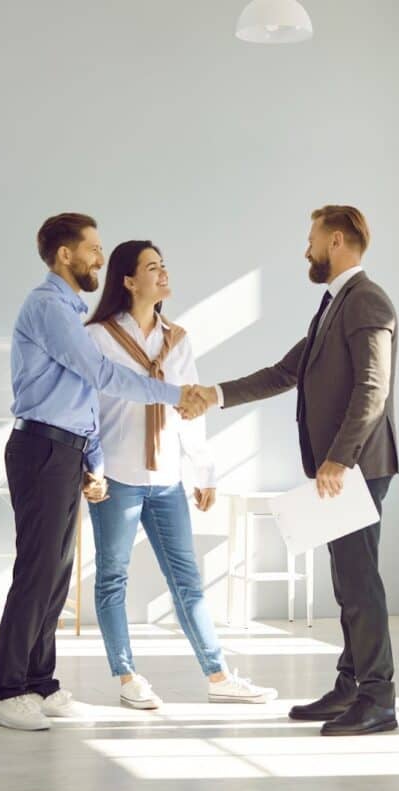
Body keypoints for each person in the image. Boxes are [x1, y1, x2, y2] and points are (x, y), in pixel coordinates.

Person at [0, 214, 207, 732]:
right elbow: (100, 375)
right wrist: (176, 395)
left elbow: (82, 401)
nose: (99, 260)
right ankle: (6, 690)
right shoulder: (49, 308)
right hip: (40, 447)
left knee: (58, 574)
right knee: (37, 572)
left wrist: (92, 461)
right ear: (65, 255)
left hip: (63, 450)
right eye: (93, 250)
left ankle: (41, 683)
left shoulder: (68, 309)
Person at [191, 205, 399, 736]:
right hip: (341, 468)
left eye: (311, 240)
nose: (305, 250)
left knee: (359, 583)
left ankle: (379, 698)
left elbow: (373, 389)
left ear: (335, 240)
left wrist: (339, 458)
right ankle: (350, 687)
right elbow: (287, 372)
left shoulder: (367, 300)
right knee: (346, 580)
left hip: (356, 467)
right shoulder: (334, 306)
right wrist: (214, 395)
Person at [84, 240, 277, 708]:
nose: (164, 273)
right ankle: (128, 677)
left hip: (167, 476)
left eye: (164, 265)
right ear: (128, 281)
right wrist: (90, 469)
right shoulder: (98, 337)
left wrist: (204, 471)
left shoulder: (179, 340)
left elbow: (190, 407)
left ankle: (219, 675)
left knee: (187, 581)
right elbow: (86, 409)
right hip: (118, 476)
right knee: (113, 577)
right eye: (153, 267)